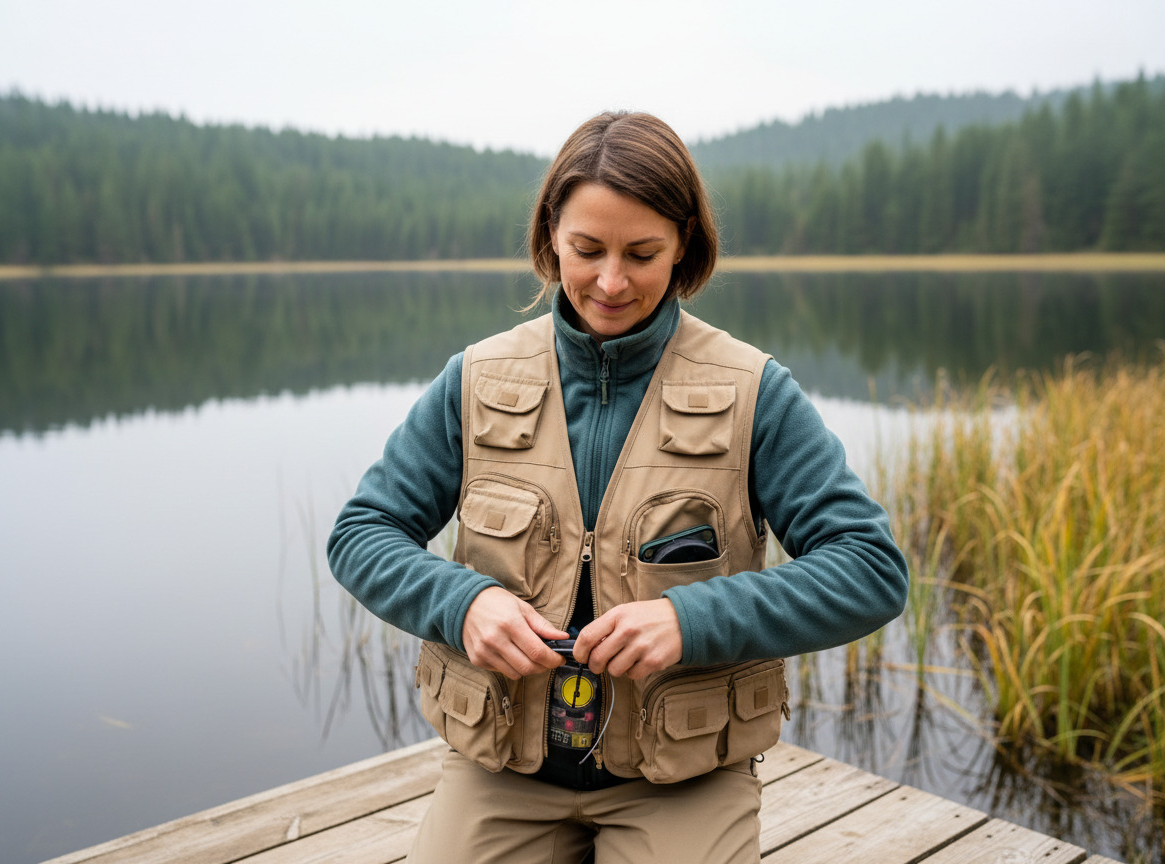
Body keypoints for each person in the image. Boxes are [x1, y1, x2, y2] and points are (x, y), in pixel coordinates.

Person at [327, 110, 908, 864]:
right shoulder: (474, 379)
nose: (609, 281)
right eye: (586, 249)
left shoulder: (756, 392)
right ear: (550, 235)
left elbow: (870, 569)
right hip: (505, 770)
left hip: (682, 776)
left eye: (641, 253)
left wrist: (690, 620)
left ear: (685, 247)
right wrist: (462, 602)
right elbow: (362, 531)